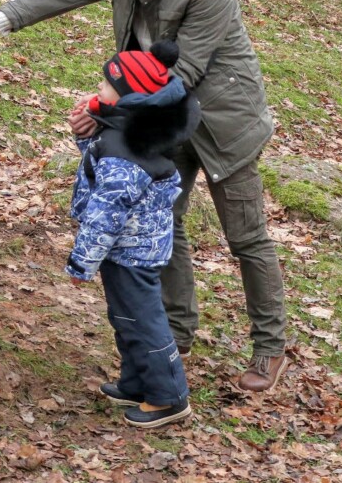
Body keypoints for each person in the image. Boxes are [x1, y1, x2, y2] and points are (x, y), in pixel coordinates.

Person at [0, 0, 289, 393]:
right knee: (163, 222)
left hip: (223, 122)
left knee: (246, 236)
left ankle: (270, 348)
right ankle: (176, 332)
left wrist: (105, 109)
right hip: (161, 121)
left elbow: (183, 73)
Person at [67, 41, 199, 428]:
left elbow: (106, 214)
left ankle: (168, 397)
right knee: (125, 316)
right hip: (125, 248)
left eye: (106, 85)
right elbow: (98, 158)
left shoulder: (126, 152)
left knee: (143, 319)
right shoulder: (128, 129)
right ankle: (137, 382)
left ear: (129, 95)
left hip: (131, 250)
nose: (99, 90)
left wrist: (81, 262)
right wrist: (87, 125)